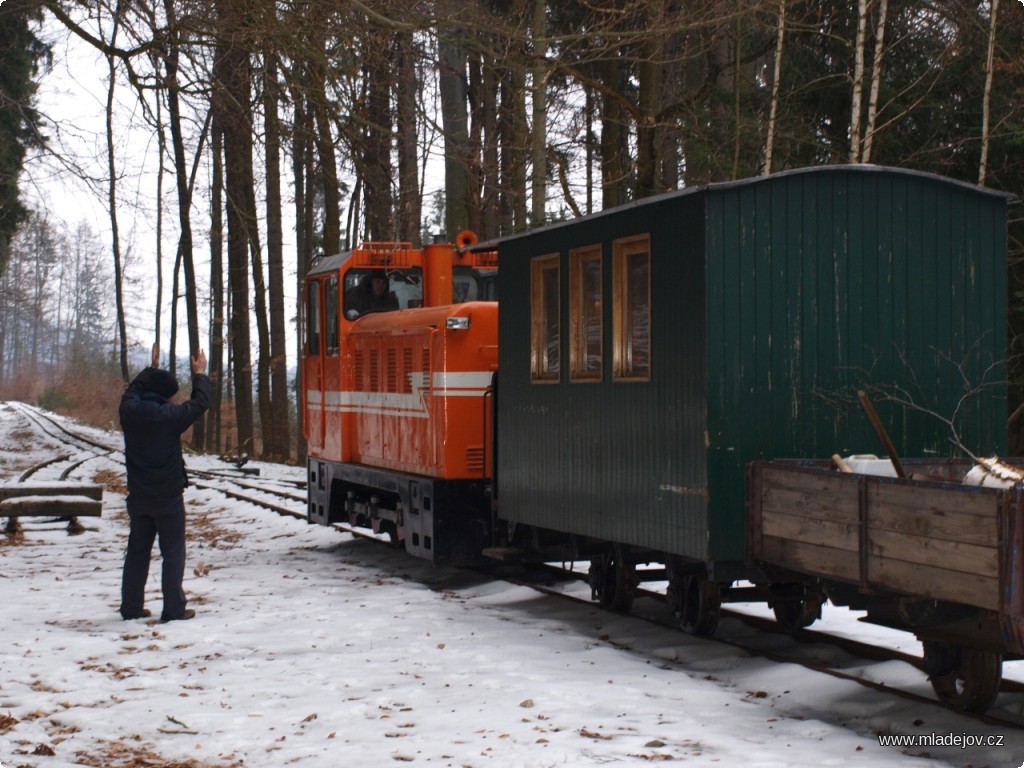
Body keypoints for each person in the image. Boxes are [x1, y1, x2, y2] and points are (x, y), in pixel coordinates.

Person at [119, 344, 210, 623]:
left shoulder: (129, 410)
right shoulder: (170, 417)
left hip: (139, 496)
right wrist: (200, 373)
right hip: (168, 497)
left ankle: (131, 607)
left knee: (137, 551)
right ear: (164, 396)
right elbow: (200, 403)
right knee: (172, 553)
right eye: (172, 395)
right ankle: (173, 609)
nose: (174, 400)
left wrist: (151, 369)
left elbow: (132, 389)